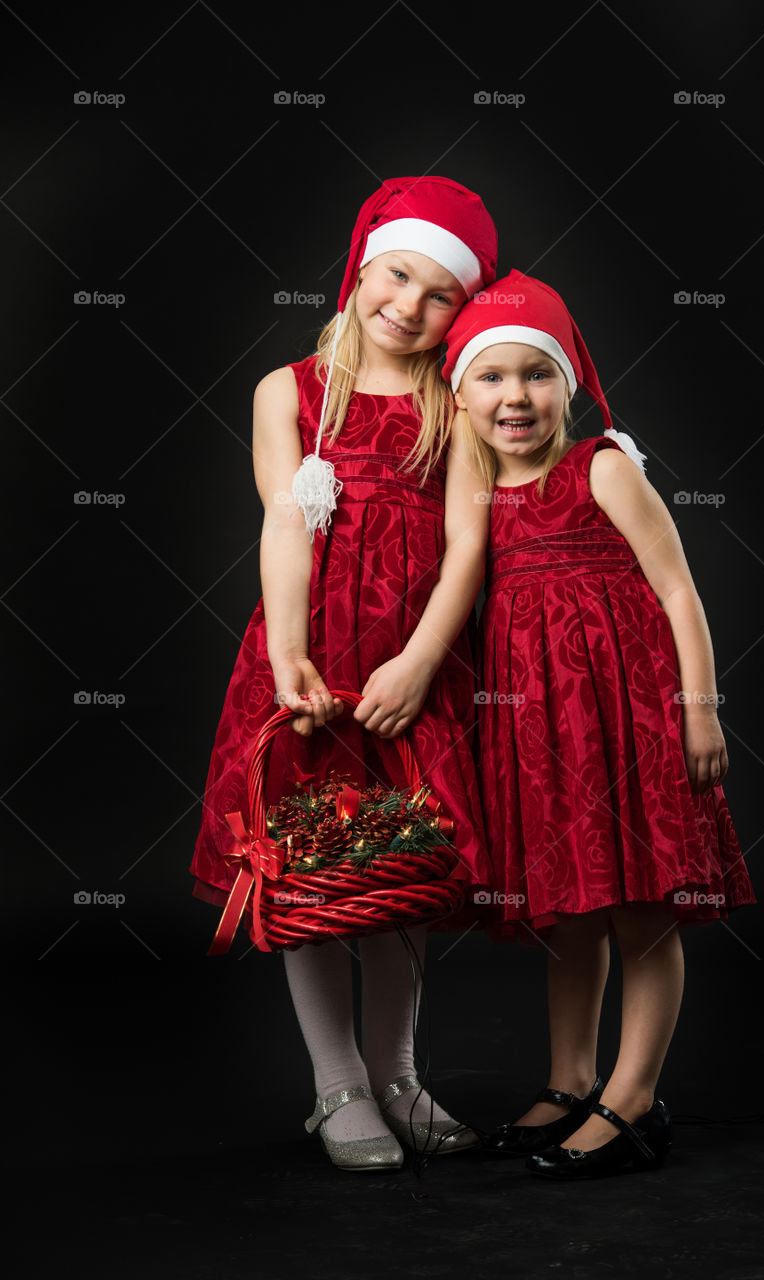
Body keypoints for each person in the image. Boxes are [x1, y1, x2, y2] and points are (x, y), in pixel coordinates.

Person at [190, 177, 498, 1171]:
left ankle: (398, 1071)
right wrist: (289, 654)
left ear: (462, 308)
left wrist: (417, 659)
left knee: (399, 872)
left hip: (412, 664)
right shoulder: (289, 391)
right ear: (362, 267)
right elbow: (286, 521)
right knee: (318, 865)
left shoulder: (453, 401)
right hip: (312, 658)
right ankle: (337, 1084)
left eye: (437, 293)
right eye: (395, 277)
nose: (407, 306)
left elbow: (466, 550)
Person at [442, 269, 756, 1180]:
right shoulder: (474, 499)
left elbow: (678, 591)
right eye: (490, 377)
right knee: (569, 914)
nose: (514, 397)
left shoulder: (601, 469)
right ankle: (569, 1080)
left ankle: (632, 1099)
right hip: (542, 735)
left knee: (643, 910)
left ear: (567, 387)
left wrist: (699, 712)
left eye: (535, 375)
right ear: (460, 394)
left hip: (631, 719)